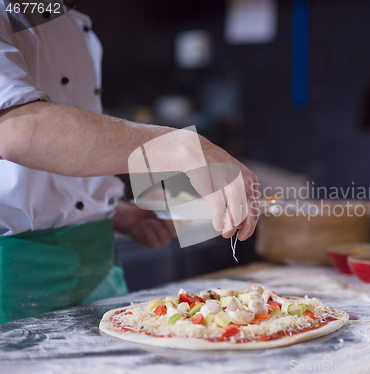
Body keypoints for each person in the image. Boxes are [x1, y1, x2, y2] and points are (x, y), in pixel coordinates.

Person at [0, 3, 259, 323]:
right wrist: (187, 149)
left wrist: (112, 211)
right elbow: (19, 129)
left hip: (100, 270)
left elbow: (54, 158)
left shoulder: (69, 20)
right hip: (14, 283)